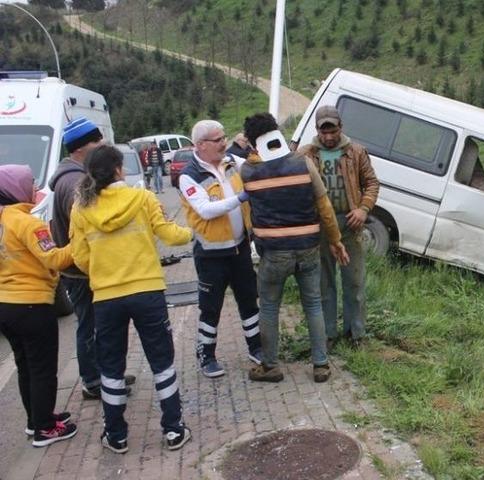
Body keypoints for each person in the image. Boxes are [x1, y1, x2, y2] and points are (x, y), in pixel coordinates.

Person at [70, 145, 193, 453]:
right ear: (118, 170)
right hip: (147, 291)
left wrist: (104, 269)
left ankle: (116, 435)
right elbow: (169, 234)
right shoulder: (143, 198)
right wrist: (192, 233)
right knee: (161, 360)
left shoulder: (81, 208)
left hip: (107, 297)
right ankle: (174, 429)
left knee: (111, 366)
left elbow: (79, 257)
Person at [240, 113, 349, 383]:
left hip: (274, 252)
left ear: (252, 142)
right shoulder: (304, 163)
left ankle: (270, 366)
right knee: (313, 304)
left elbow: (248, 212)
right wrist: (335, 241)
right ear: (276, 132)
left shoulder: (248, 171)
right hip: (308, 247)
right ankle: (321, 365)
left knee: (269, 307)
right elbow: (324, 207)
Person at [49, 117, 136, 401]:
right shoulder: (75, 182)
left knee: (96, 325)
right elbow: (92, 225)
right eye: (96, 142)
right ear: (80, 149)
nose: (102, 145)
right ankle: (93, 380)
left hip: (82, 268)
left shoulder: (73, 176)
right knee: (90, 327)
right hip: (81, 271)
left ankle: (107, 374)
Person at [0, 165, 78, 447]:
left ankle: (36, 419)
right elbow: (55, 259)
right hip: (32, 304)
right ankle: (46, 429)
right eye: (30, 183)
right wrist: (80, 241)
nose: (34, 188)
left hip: (6, 305)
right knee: (43, 368)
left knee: (26, 366)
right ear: (15, 189)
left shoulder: (4, 219)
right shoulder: (28, 223)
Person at [179, 120, 262, 378]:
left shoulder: (232, 163)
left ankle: (256, 347)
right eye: (218, 140)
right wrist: (240, 198)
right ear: (201, 145)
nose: (224, 143)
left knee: (249, 299)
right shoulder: (189, 176)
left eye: (224, 137)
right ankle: (206, 355)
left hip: (239, 248)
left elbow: (258, 166)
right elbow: (205, 210)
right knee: (210, 307)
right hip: (211, 255)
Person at [299, 106, 379, 348]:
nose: (328, 137)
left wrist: (363, 209)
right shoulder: (305, 154)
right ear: (317, 130)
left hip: (349, 224)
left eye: (332, 131)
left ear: (340, 127)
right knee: (324, 282)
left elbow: (372, 183)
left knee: (354, 282)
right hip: (320, 226)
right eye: (324, 132)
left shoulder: (356, 152)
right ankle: (328, 334)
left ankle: (356, 334)